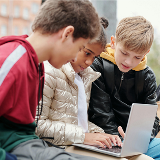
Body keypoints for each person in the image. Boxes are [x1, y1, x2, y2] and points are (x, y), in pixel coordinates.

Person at [0, 0, 103, 160]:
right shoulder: (11, 60)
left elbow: (25, 131)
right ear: (67, 34)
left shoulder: (36, 65)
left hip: (25, 144)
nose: (75, 57)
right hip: (9, 150)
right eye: (79, 47)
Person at [36, 17, 123, 149]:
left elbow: (78, 123)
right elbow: (37, 126)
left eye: (94, 57)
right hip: (57, 148)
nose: (89, 62)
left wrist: (103, 135)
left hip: (77, 144)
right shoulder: (49, 72)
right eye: (87, 53)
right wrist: (83, 136)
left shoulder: (84, 76)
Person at [88, 16, 160, 160]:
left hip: (136, 143)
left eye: (137, 57)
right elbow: (101, 113)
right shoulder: (97, 66)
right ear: (113, 42)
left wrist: (139, 139)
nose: (128, 61)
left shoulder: (147, 77)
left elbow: (152, 119)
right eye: (124, 53)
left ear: (146, 53)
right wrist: (119, 142)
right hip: (106, 139)